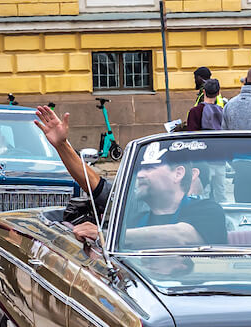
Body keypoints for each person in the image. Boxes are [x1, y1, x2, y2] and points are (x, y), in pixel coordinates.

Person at [34, 105, 226, 249]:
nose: (140, 174)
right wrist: (61, 146)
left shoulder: (207, 210)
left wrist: (108, 235)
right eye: (140, 168)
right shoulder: (133, 212)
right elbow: (94, 184)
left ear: (178, 173)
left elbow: (181, 235)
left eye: (150, 168)